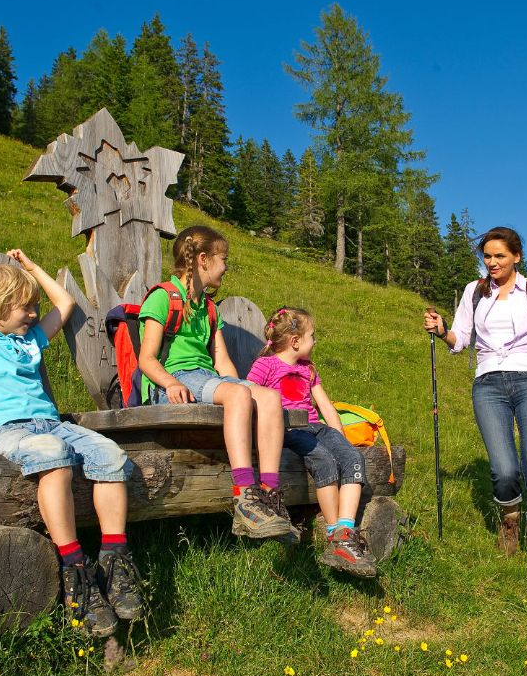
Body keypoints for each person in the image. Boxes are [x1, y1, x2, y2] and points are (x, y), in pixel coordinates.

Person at [0, 246, 144, 636]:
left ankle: (114, 560)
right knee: (53, 454)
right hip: (3, 431)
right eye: (25, 307)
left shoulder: (29, 340)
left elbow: (65, 303)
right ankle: (75, 570)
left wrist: (30, 267)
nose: (34, 314)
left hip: (51, 424)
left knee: (110, 454)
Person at [423, 226, 527, 593]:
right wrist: (441, 330)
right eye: (487, 256)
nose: (492, 262)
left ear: (516, 256)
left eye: (499, 256)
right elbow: (460, 339)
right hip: (488, 384)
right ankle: (510, 518)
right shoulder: (474, 291)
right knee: (504, 469)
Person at [137, 225, 294, 541]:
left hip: (206, 378)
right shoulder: (163, 297)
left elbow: (222, 362)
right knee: (238, 395)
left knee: (269, 397)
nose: (226, 267)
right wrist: (170, 383)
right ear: (203, 259)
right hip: (173, 383)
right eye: (224, 259)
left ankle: (269, 494)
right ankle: (245, 497)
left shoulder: (208, 308)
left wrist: (245, 387)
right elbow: (146, 359)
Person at [247, 307, 377, 578]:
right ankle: (334, 534)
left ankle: (345, 531)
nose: (315, 341)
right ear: (295, 341)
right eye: (312, 336)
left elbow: (325, 405)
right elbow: (248, 392)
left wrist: (339, 437)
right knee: (324, 460)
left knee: (353, 458)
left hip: (316, 427)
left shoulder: (309, 369)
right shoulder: (265, 365)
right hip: (289, 428)